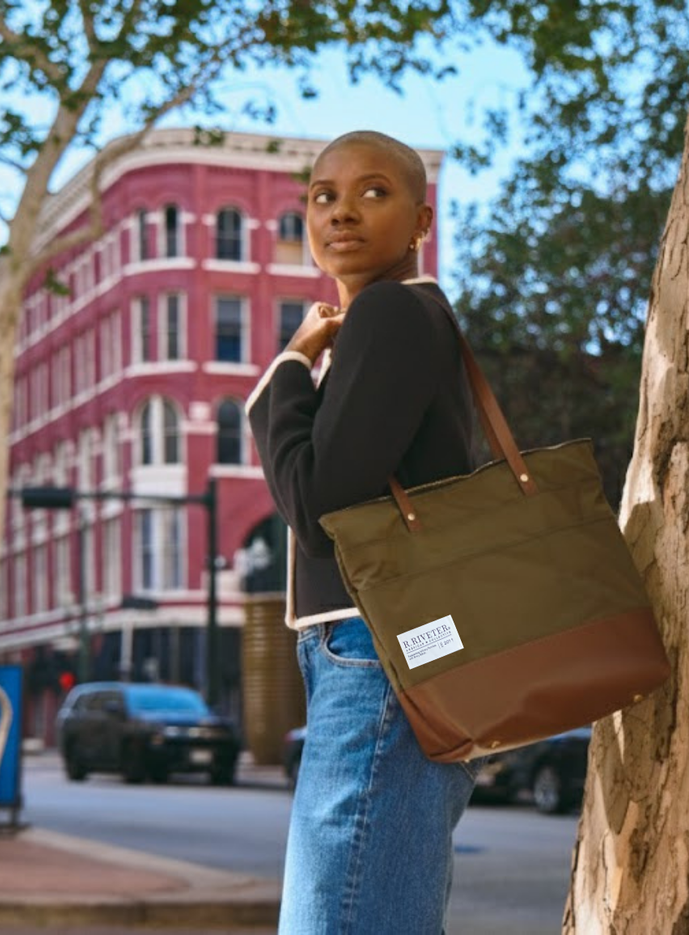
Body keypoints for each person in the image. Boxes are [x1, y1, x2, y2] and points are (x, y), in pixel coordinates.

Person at [246, 130, 480, 934]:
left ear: (420, 220)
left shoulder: (388, 313)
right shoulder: (409, 320)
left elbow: (317, 511)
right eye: (323, 195)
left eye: (372, 192)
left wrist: (287, 370)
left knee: (338, 916)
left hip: (378, 648)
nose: (342, 210)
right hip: (402, 647)